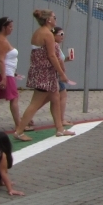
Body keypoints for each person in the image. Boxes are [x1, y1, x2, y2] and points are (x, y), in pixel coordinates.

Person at [14, 9, 73, 140]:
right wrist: (61, 73)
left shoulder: (39, 32)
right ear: (48, 20)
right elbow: (52, 56)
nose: (56, 19)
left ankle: (60, 129)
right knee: (35, 103)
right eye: (54, 17)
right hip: (44, 73)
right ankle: (19, 131)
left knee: (55, 98)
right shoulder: (47, 34)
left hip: (41, 71)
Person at [52, 27, 75, 130]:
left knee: (60, 96)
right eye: (61, 34)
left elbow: (59, 60)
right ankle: (60, 120)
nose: (63, 36)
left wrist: (67, 59)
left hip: (56, 74)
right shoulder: (54, 45)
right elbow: (55, 60)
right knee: (47, 98)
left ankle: (60, 119)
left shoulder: (56, 46)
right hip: (55, 75)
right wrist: (62, 73)